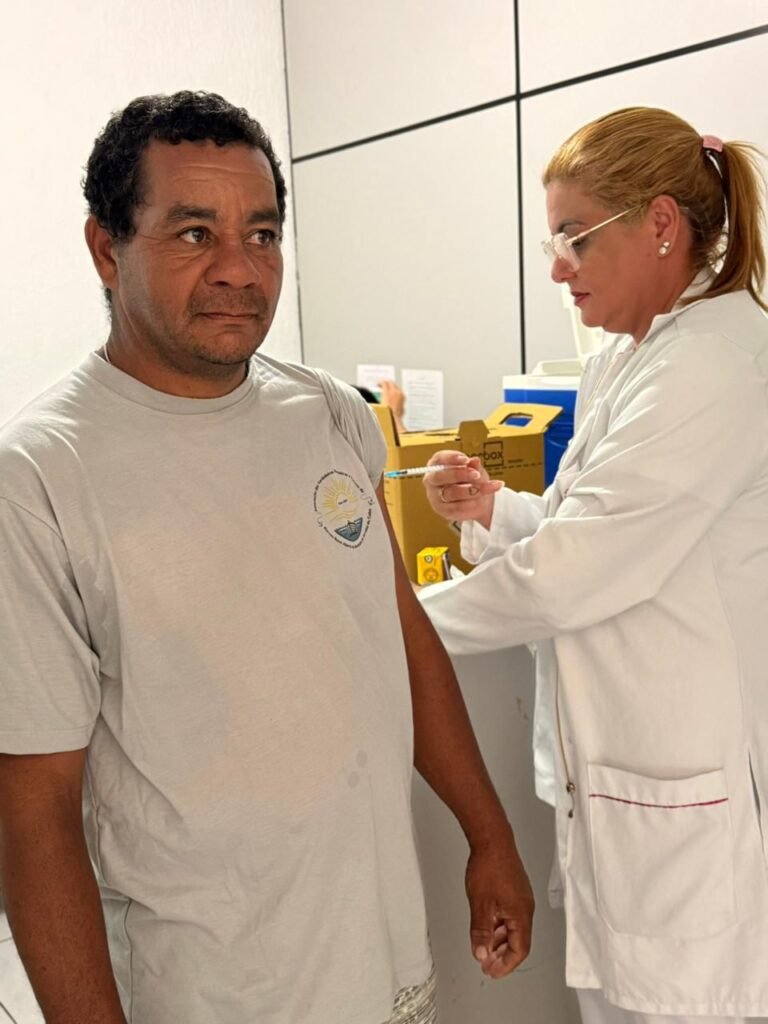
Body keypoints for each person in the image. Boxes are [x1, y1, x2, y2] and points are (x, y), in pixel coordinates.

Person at [0, 91, 534, 1024]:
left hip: (382, 953)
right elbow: (34, 804)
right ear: (105, 247)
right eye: (194, 233)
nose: (241, 271)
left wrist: (488, 834)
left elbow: (399, 632)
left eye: (263, 233)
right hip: (207, 987)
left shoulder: (330, 413)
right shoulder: (43, 474)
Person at [418, 107, 768, 1024]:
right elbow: (593, 528)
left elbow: (582, 570)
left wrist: (395, 618)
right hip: (625, 788)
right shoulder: (629, 355)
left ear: (660, 225)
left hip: (687, 792)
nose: (556, 267)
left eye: (574, 237)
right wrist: (496, 512)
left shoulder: (716, 362)